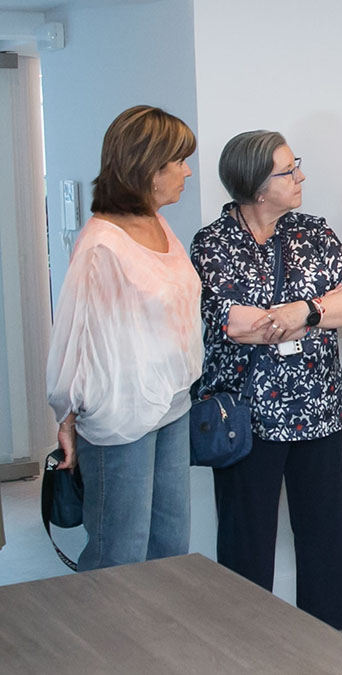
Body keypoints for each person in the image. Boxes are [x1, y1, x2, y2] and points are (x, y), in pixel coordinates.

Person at [191, 130, 342, 628]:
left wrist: (305, 311)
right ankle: (247, 644)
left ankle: (330, 638)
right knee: (246, 543)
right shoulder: (212, 242)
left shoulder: (313, 231)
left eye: (297, 165)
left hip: (316, 406)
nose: (301, 176)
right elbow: (230, 322)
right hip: (244, 418)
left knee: (325, 536)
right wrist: (309, 313)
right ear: (256, 186)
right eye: (289, 171)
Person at [46, 105, 202, 571]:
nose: (187, 171)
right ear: (148, 167)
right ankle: (105, 645)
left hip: (172, 404)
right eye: (178, 161)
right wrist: (65, 417)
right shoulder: (101, 245)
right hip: (121, 417)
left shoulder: (160, 224)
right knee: (119, 554)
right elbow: (75, 339)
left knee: (170, 548)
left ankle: (155, 644)